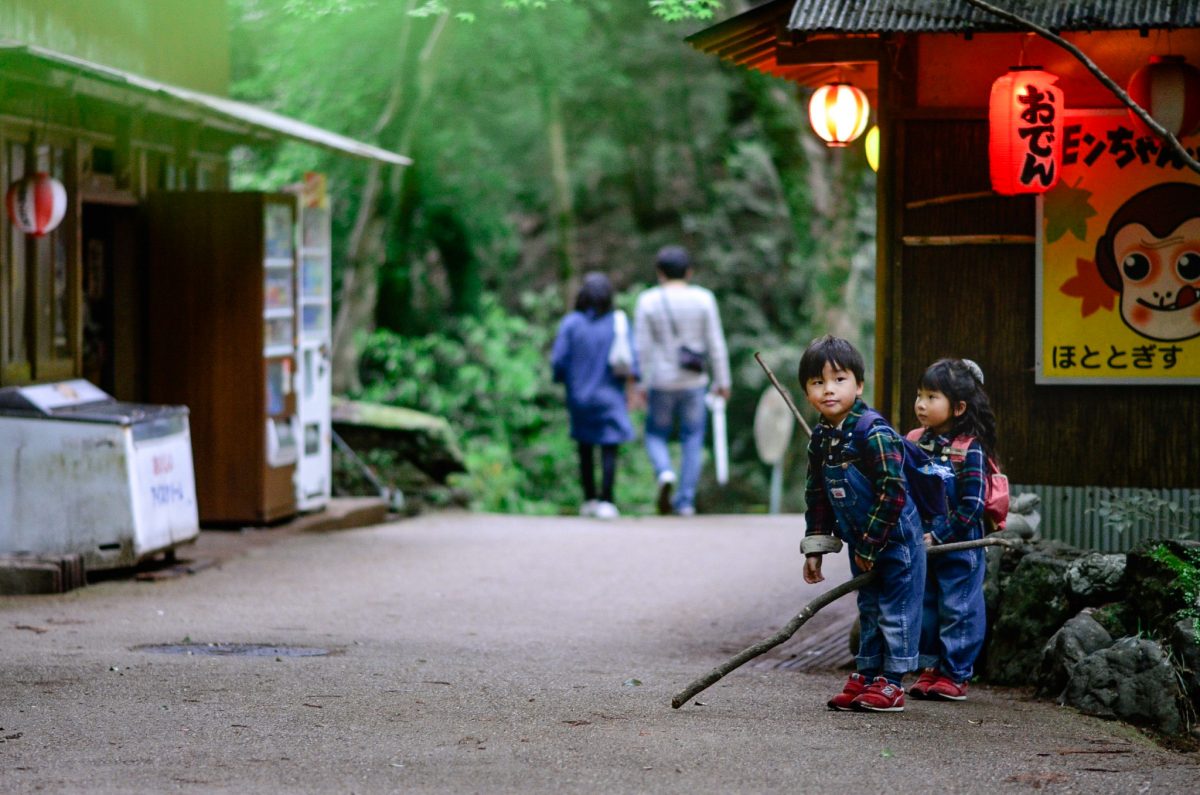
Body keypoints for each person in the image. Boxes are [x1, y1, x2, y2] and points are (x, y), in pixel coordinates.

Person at [799, 335, 925, 713]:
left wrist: (871, 544)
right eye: (818, 382)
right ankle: (867, 674)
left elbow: (893, 491)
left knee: (895, 608)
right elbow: (817, 495)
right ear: (806, 392)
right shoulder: (821, 439)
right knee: (869, 606)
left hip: (895, 539)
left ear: (859, 386)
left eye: (839, 379)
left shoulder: (874, 432)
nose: (829, 389)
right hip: (862, 541)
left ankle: (893, 682)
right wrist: (816, 548)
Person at [906, 358, 997, 702]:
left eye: (932, 397)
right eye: (919, 395)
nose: (921, 404)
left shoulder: (969, 448)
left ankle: (955, 673)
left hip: (960, 545)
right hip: (923, 543)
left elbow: (972, 506)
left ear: (958, 407)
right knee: (927, 604)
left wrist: (940, 535)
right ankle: (931, 667)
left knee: (959, 606)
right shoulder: (914, 441)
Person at [632, 245, 731, 516]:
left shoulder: (648, 300)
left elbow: (641, 347)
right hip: (693, 381)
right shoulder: (703, 299)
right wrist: (723, 381)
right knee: (693, 438)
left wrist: (639, 384)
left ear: (659, 273)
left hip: (660, 380)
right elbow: (715, 343)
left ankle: (664, 471)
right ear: (689, 272)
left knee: (655, 434)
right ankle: (685, 501)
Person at [551, 272, 636, 519]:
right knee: (610, 445)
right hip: (610, 395)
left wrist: (564, 380)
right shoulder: (617, 323)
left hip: (579, 396)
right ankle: (607, 501)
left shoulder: (571, 323)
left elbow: (558, 360)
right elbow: (632, 360)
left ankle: (589, 499)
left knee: (585, 446)